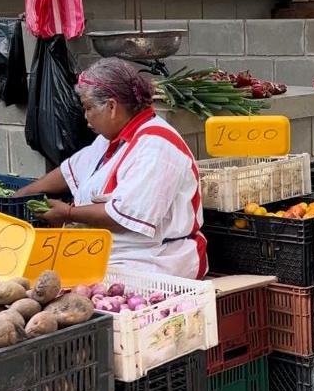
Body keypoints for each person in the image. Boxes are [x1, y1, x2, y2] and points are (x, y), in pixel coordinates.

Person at [14, 58, 207, 279]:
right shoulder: (111, 137)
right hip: (108, 251)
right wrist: (24, 193)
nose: (86, 118)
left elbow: (123, 216)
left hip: (152, 260)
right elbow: (70, 171)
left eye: (88, 108)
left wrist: (67, 213)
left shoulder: (157, 146)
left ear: (112, 107)